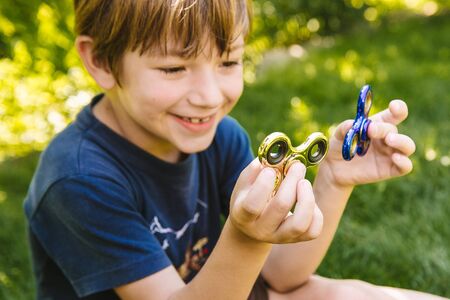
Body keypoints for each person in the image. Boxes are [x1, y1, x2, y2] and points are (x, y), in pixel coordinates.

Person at [23, 0, 447, 299]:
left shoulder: (221, 137)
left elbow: (283, 277)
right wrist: (244, 238)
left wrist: (334, 180)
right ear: (99, 61)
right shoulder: (79, 180)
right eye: (173, 68)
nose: (209, 96)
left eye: (228, 62)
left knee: (357, 295)